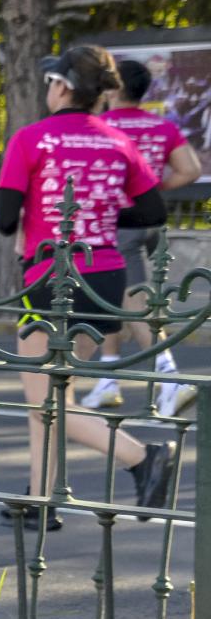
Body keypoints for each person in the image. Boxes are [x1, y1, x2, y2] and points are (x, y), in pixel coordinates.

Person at [0, 45, 174, 527]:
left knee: (46, 398)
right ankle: (41, 498)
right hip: (107, 276)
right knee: (54, 392)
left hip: (53, 278)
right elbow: (153, 210)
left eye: (52, 81)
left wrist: (43, 208)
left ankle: (142, 457)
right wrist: (102, 212)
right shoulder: (117, 140)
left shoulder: (31, 139)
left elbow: (5, 219)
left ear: (64, 87)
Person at [85, 57, 203, 415]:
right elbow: (192, 169)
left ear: (115, 89)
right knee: (112, 296)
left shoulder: (101, 126)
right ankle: (107, 378)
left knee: (133, 301)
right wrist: (154, 187)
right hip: (149, 223)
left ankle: (170, 379)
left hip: (118, 225)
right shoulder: (161, 126)